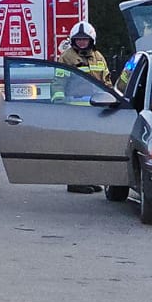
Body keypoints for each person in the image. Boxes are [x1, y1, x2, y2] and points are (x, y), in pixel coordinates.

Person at [57, 22, 111, 194]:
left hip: (95, 109)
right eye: (78, 40)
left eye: (84, 39)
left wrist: (111, 99)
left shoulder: (99, 57)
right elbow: (58, 82)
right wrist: (59, 104)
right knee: (76, 147)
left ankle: (88, 179)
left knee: (92, 147)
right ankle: (74, 182)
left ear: (91, 40)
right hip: (75, 110)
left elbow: (106, 80)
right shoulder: (67, 57)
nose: (81, 42)